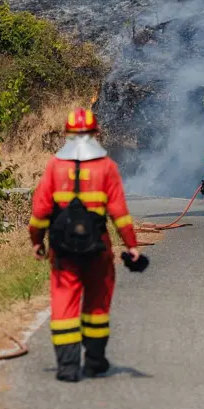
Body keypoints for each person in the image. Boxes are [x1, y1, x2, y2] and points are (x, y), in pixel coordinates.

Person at [28, 108, 140, 382]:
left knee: (64, 306)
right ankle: (94, 361)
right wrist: (131, 245)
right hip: (98, 248)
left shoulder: (55, 165)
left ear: (66, 134)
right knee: (97, 305)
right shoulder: (107, 167)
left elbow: (40, 211)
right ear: (96, 133)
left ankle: (67, 367)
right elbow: (119, 213)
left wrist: (36, 242)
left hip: (62, 250)